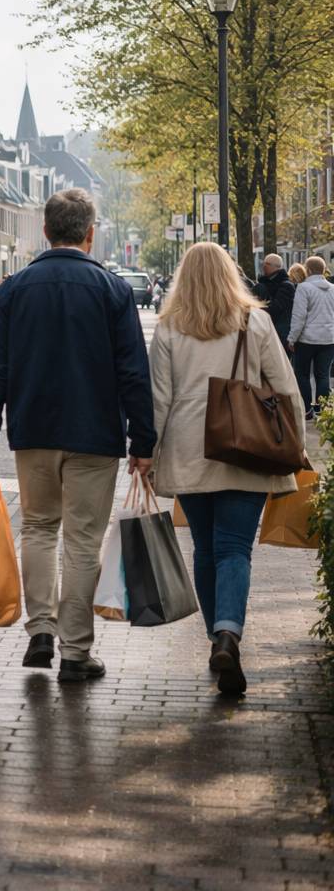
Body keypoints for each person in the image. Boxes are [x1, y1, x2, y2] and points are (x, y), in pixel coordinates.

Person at [0, 188, 155, 683]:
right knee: (81, 539)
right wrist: (144, 442)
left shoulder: (13, 290)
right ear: (90, 234)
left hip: (32, 430)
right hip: (95, 434)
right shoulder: (113, 290)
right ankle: (76, 651)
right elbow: (134, 372)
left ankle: (40, 631)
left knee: (38, 529)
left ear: (47, 231)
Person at [150, 242, 302, 696]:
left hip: (189, 447)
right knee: (235, 548)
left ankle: (216, 638)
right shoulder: (254, 322)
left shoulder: (170, 328)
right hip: (247, 447)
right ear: (230, 275)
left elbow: (158, 399)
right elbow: (286, 386)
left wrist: (146, 452)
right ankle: (228, 634)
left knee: (204, 548)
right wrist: (293, 443)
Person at [287, 255, 334, 420]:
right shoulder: (333, 288)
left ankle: (307, 411)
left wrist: (292, 338)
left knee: (303, 375)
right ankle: (323, 412)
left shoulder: (304, 288)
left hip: (306, 339)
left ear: (307, 270)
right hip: (328, 339)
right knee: (323, 375)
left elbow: (299, 317)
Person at [253, 253, 296, 349]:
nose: (264, 266)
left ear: (276, 267)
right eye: (264, 263)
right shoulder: (263, 284)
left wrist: (258, 309)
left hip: (280, 333)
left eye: (267, 264)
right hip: (266, 330)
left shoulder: (286, 285)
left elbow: (276, 308)